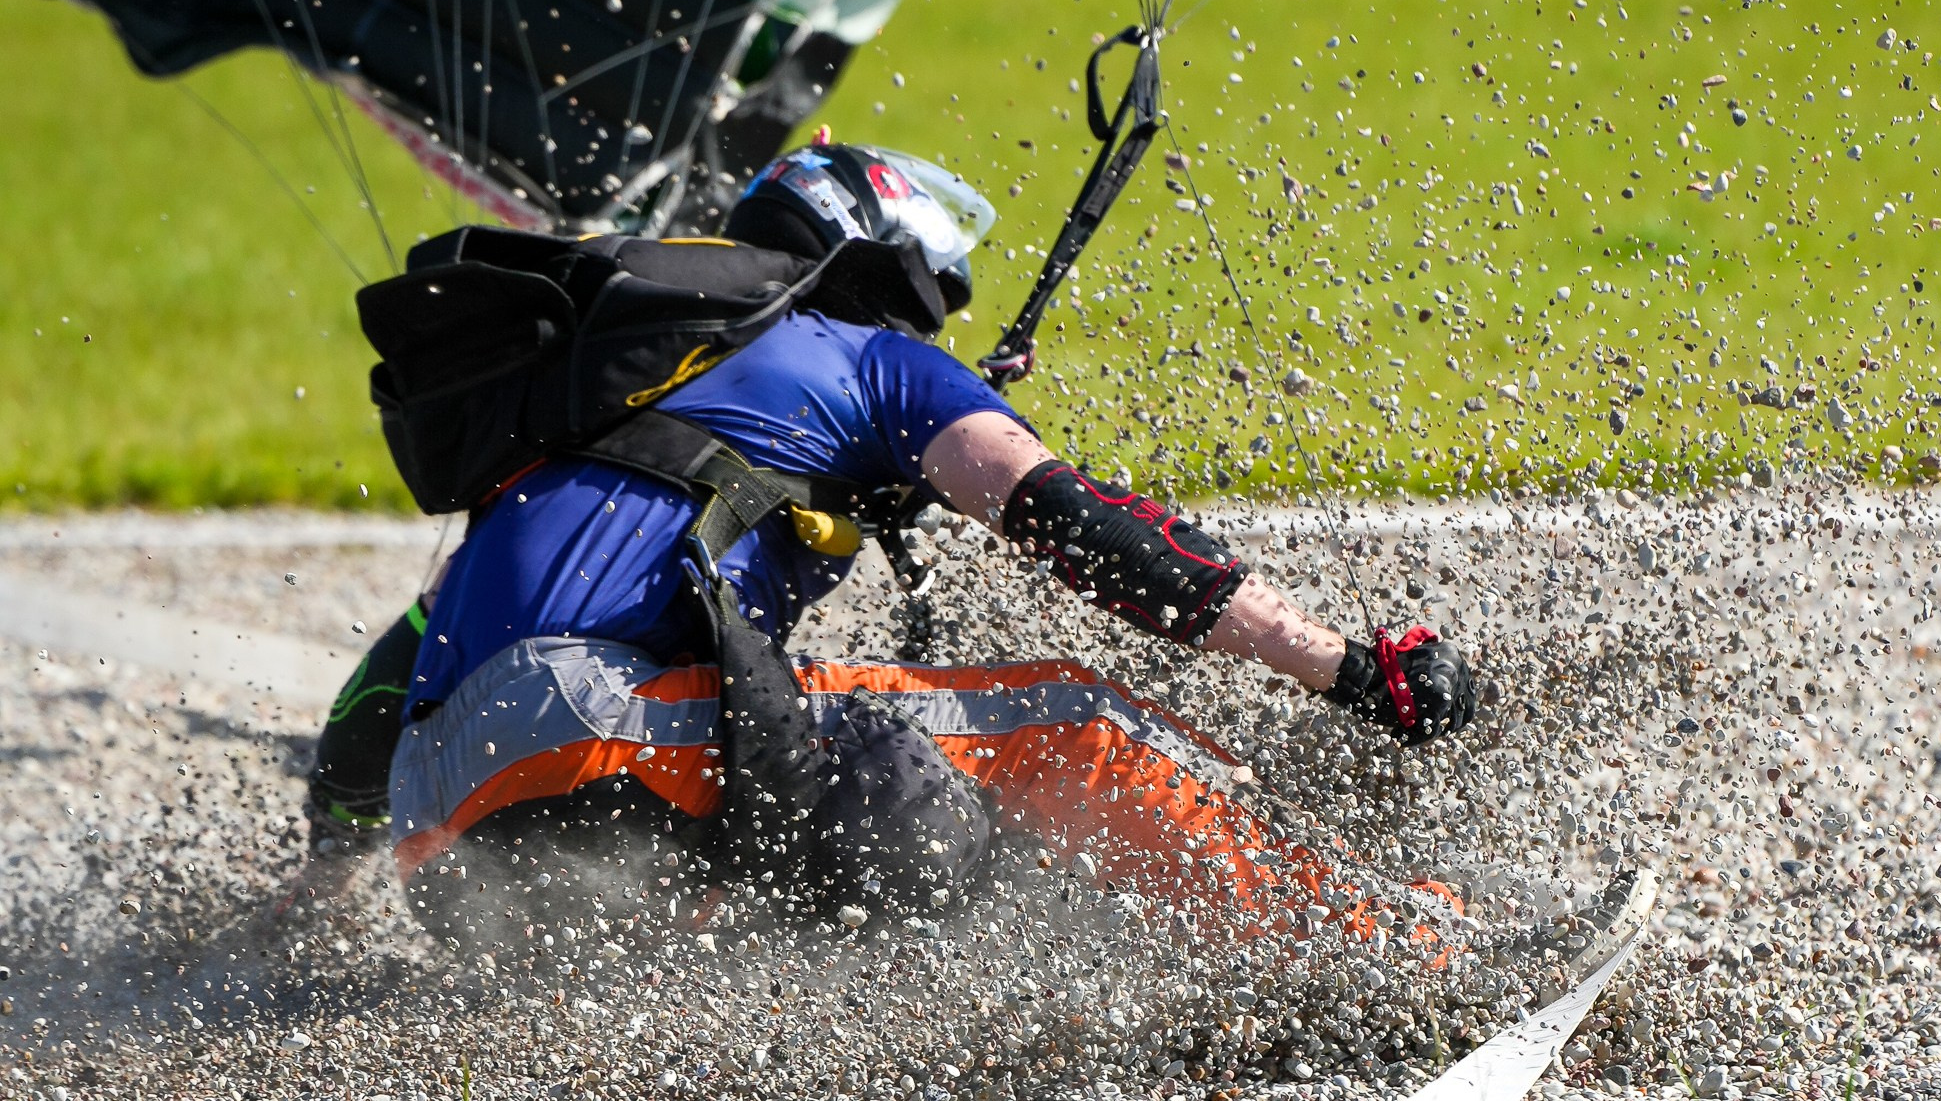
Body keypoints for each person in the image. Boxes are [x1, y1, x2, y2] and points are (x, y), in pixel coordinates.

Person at [307, 138, 1475, 944]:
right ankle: (1393, 940)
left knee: (863, 789)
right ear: (890, 265)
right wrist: (1341, 666)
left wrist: (313, 896)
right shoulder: (872, 361)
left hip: (448, 850)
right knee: (1071, 724)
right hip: (597, 736)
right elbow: (1076, 523)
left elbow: (379, 698)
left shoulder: (587, 414)